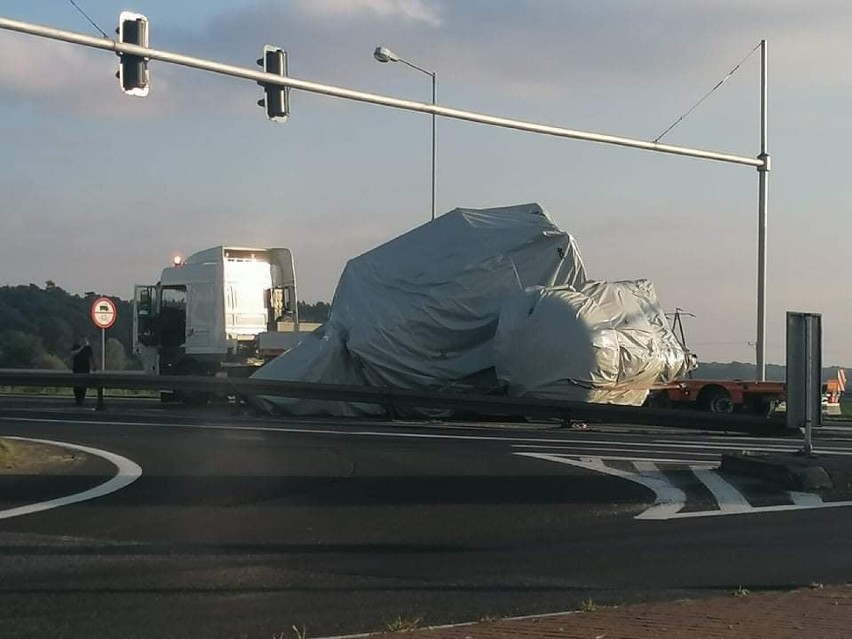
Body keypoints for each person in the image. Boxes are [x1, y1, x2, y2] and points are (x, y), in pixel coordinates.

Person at [71, 337, 96, 406]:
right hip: (77, 369)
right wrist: (81, 348)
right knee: (76, 386)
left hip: (85, 369)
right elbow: (72, 353)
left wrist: (94, 366)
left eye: (86, 340)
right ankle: (77, 400)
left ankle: (81, 400)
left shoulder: (88, 348)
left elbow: (91, 357)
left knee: (84, 385)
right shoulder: (76, 346)